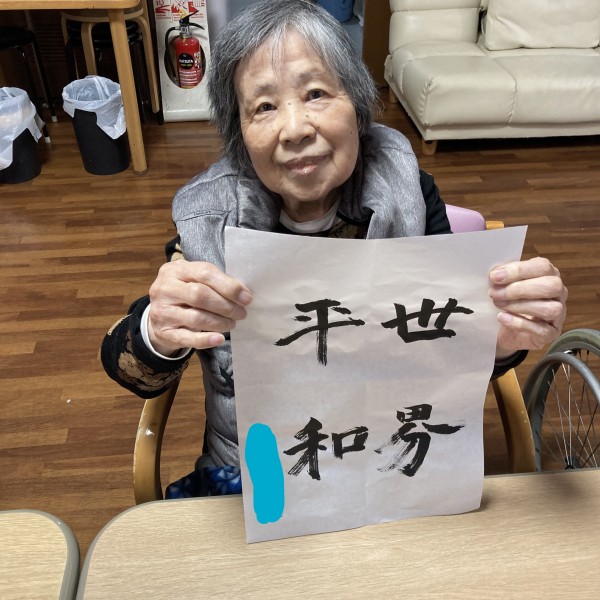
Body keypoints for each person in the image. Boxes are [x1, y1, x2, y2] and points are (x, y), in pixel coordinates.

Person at [102, 0, 567, 496]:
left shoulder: (406, 189)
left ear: (358, 104)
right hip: (264, 476)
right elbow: (134, 370)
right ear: (240, 132)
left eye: (316, 93)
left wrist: (504, 335)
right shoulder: (213, 218)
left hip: (394, 457)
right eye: (264, 107)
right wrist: (159, 331)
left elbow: (456, 346)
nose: (296, 129)